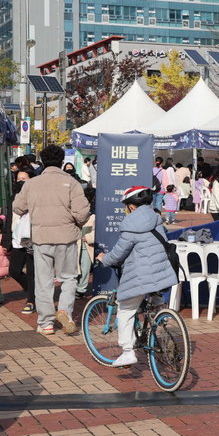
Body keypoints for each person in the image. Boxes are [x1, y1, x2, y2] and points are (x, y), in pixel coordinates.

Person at [95, 186, 178, 368]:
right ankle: (158, 325)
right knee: (151, 301)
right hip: (162, 272)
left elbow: (118, 254)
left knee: (125, 310)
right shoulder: (156, 218)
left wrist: (104, 259)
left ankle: (127, 352)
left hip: (142, 275)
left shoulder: (131, 224)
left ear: (131, 206)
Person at [13, 144, 91, 335]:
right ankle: (65, 310)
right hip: (66, 236)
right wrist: (76, 222)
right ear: (62, 161)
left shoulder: (32, 184)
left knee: (43, 281)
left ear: (43, 161)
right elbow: (83, 212)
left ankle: (46, 322)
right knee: (69, 278)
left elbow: (17, 207)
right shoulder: (72, 183)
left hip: (41, 238)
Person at [3, 174, 36, 315]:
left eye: (24, 178)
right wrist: (6, 240)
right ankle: (32, 291)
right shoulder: (14, 197)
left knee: (31, 271)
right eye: (18, 179)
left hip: (32, 237)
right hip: (17, 238)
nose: (20, 181)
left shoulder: (35, 195)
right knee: (14, 270)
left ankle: (31, 300)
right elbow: (10, 218)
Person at [76, 186, 97, 299]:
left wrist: (89, 237)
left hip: (87, 244)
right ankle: (76, 288)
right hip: (77, 242)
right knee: (76, 267)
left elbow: (98, 230)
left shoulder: (95, 211)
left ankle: (81, 289)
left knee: (85, 267)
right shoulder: (76, 207)